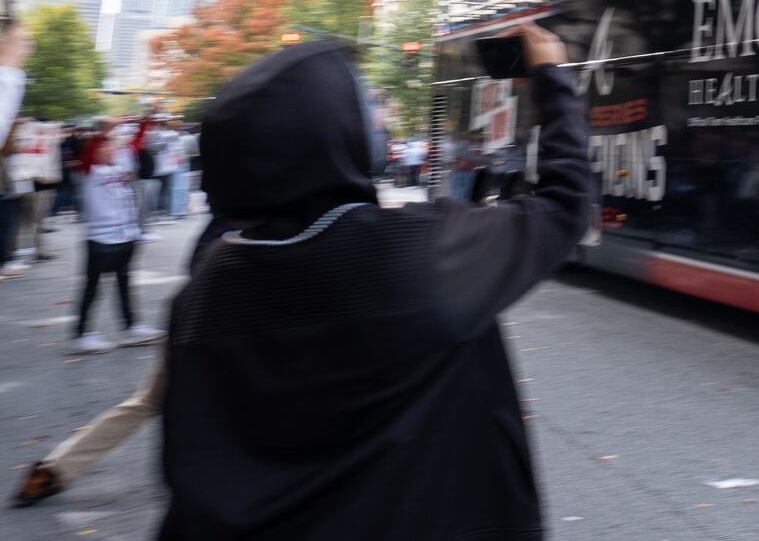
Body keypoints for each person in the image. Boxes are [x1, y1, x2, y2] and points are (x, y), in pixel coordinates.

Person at [156, 27, 588, 539]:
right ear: (333, 129)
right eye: (367, 103)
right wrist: (552, 77)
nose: (380, 115)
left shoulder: (204, 290)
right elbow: (565, 206)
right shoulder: (417, 251)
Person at [71, 127, 163, 354]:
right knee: (93, 287)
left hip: (125, 236)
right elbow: (92, 148)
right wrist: (103, 132)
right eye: (104, 147)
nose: (110, 149)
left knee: (124, 283)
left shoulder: (121, 165)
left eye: (111, 146)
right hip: (101, 239)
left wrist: (146, 120)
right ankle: (83, 335)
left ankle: (132, 326)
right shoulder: (89, 172)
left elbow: (136, 143)